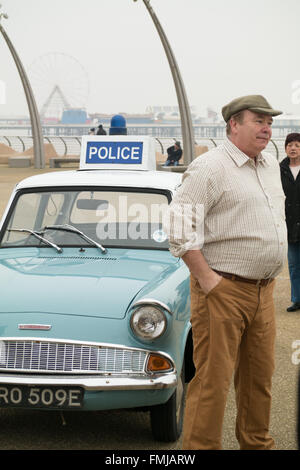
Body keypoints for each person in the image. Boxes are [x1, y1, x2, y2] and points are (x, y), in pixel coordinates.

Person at [165, 95, 287, 450]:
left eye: (270, 122)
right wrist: (207, 280)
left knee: (259, 381)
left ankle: (256, 445)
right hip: (222, 289)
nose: (267, 128)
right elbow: (178, 226)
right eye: (259, 121)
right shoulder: (210, 168)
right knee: (212, 382)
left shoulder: (267, 166)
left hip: (264, 291)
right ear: (234, 124)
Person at [280, 133, 300, 312]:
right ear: (285, 148)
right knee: (293, 266)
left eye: (297, 145)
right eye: (290, 145)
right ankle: (296, 299)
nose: (293, 148)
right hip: (289, 226)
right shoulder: (279, 170)